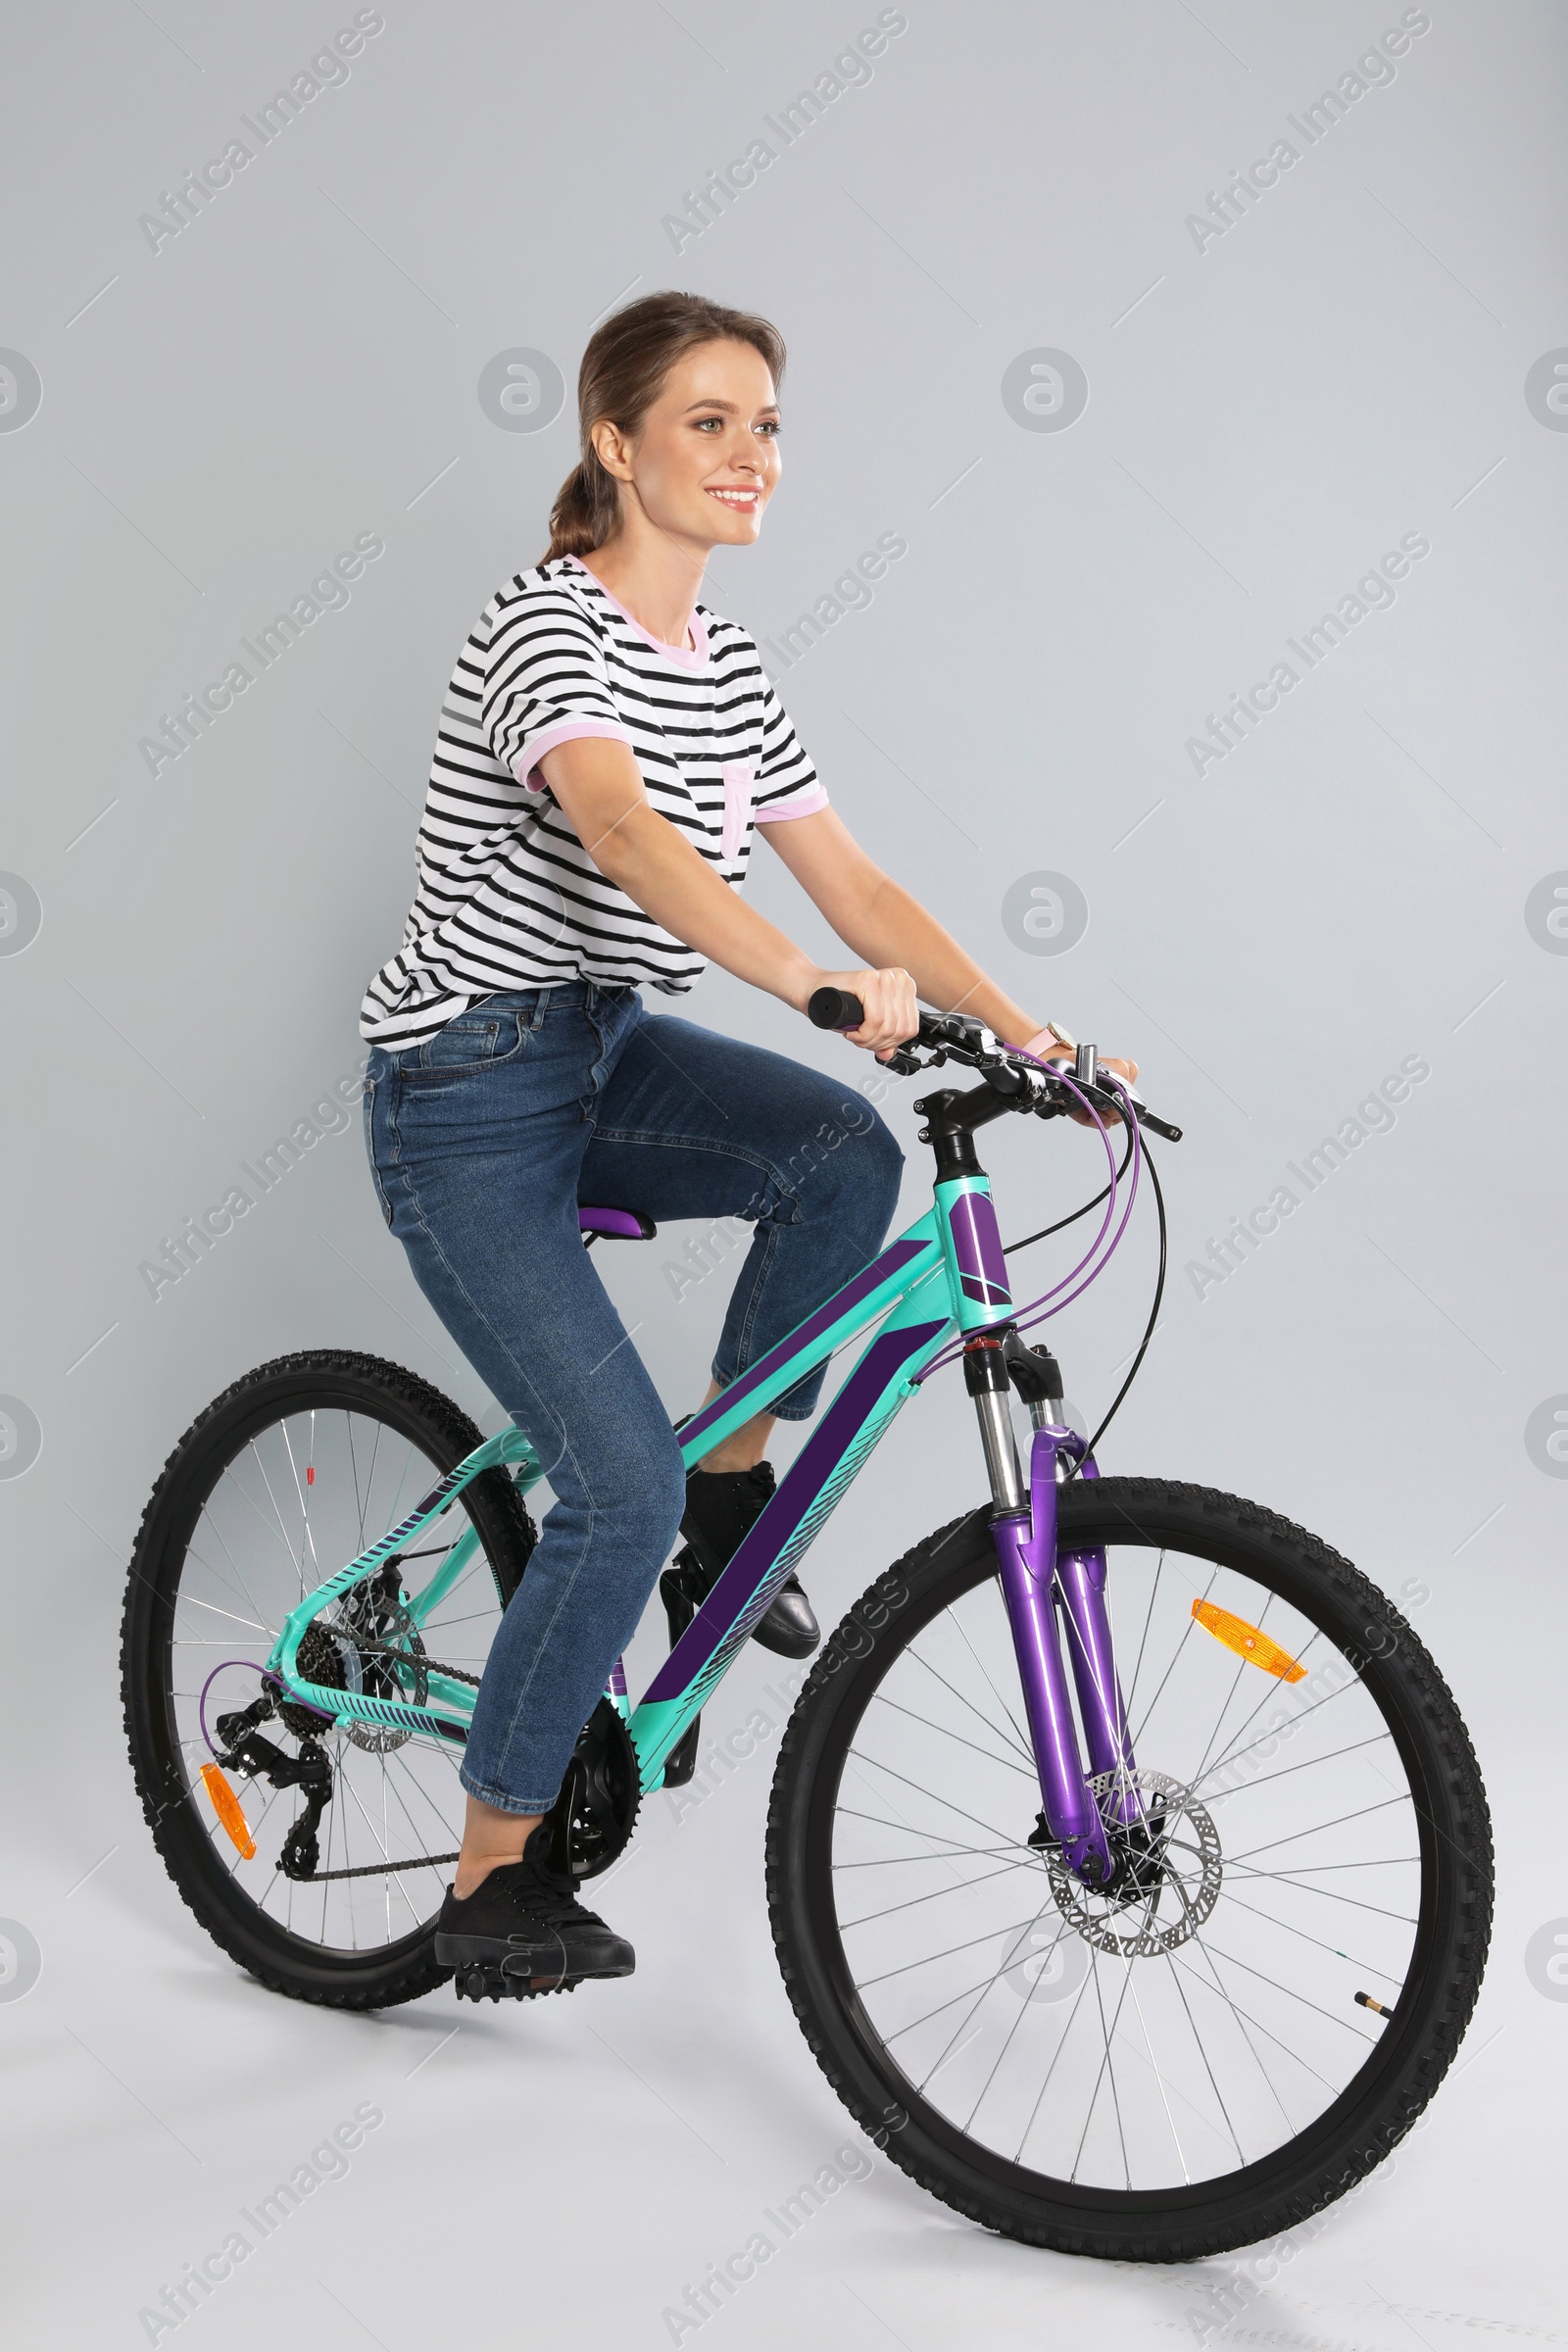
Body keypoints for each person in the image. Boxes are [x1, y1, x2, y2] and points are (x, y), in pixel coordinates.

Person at [359, 292, 1137, 1992]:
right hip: (465, 1091)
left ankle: (726, 1508)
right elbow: (628, 830)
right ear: (615, 444)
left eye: (767, 424)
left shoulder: (731, 668)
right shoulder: (546, 630)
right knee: (605, 1485)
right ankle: (492, 1879)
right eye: (708, 421)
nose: (750, 454)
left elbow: (857, 886)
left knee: (843, 1162)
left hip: (605, 1050)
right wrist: (804, 984)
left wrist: (1034, 1034)